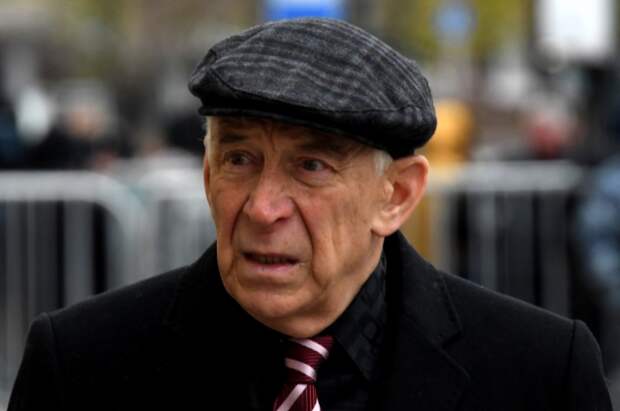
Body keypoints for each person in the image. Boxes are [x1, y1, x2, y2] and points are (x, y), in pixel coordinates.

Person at [8, 18, 611, 411]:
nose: (263, 208)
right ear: (208, 173)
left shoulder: (538, 373)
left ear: (397, 196)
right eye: (239, 158)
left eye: (311, 167)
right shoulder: (80, 366)